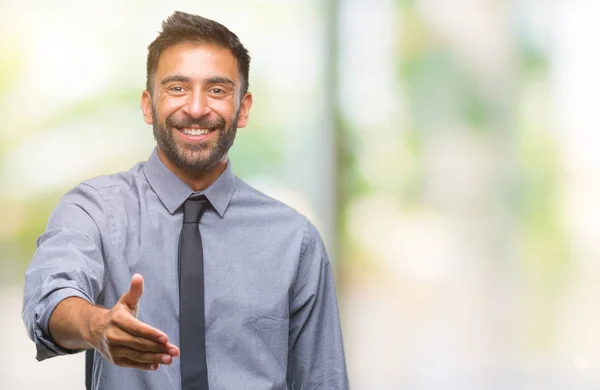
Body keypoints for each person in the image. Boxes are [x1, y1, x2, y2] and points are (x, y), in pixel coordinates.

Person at [21, 11, 349, 390]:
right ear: (148, 104)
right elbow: (50, 298)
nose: (195, 108)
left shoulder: (295, 241)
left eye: (217, 90)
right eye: (177, 88)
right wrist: (96, 326)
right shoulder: (93, 211)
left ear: (242, 108)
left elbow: (323, 380)